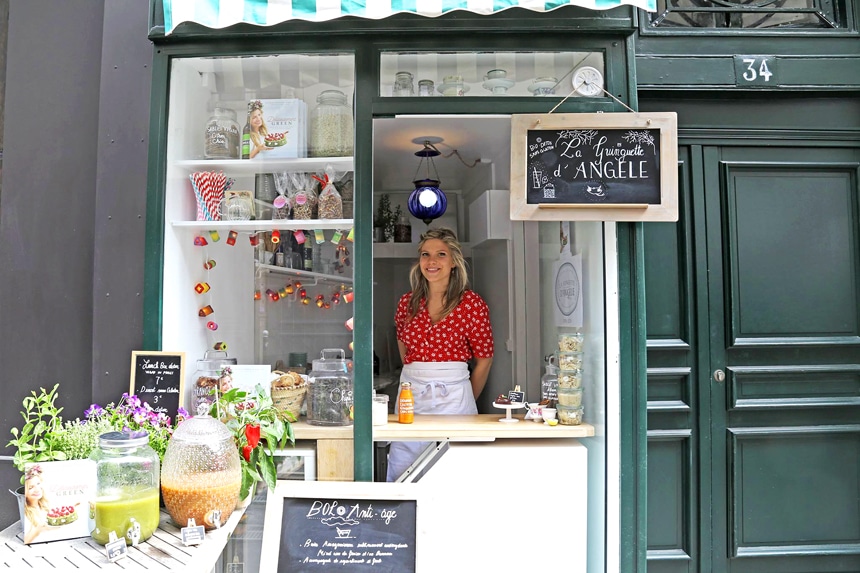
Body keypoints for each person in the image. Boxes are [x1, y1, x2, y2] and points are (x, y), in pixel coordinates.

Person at [387, 227, 494, 481]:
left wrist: (465, 397)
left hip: (455, 396)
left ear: (454, 262)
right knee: (404, 464)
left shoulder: (471, 303)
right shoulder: (407, 303)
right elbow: (404, 347)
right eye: (425, 254)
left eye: (441, 254)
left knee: (454, 471)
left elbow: (485, 358)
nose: (431, 261)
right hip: (412, 395)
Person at [23, 465, 50, 544]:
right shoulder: (27, 513)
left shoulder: (45, 505)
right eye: (31, 488)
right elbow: (27, 539)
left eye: (38, 484)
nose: (37, 489)